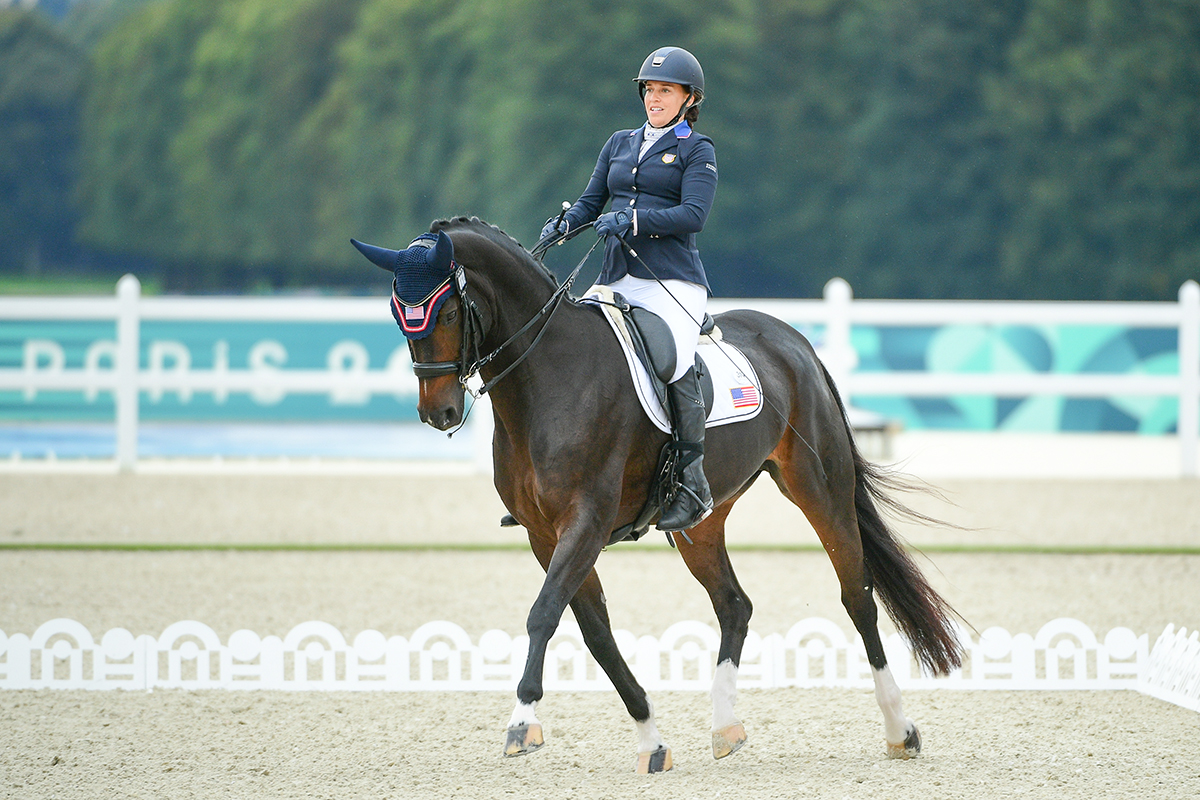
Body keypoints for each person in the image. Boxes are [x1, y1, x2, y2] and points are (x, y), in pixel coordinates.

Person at [540, 46, 717, 532]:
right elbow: (591, 200)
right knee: (570, 349)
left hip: (671, 281)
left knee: (672, 359)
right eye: (650, 90)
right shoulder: (619, 142)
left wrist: (635, 219)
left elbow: (693, 215)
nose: (654, 98)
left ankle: (691, 479)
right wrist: (565, 224)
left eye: (665, 90)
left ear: (688, 98)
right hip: (615, 278)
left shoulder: (697, 150)